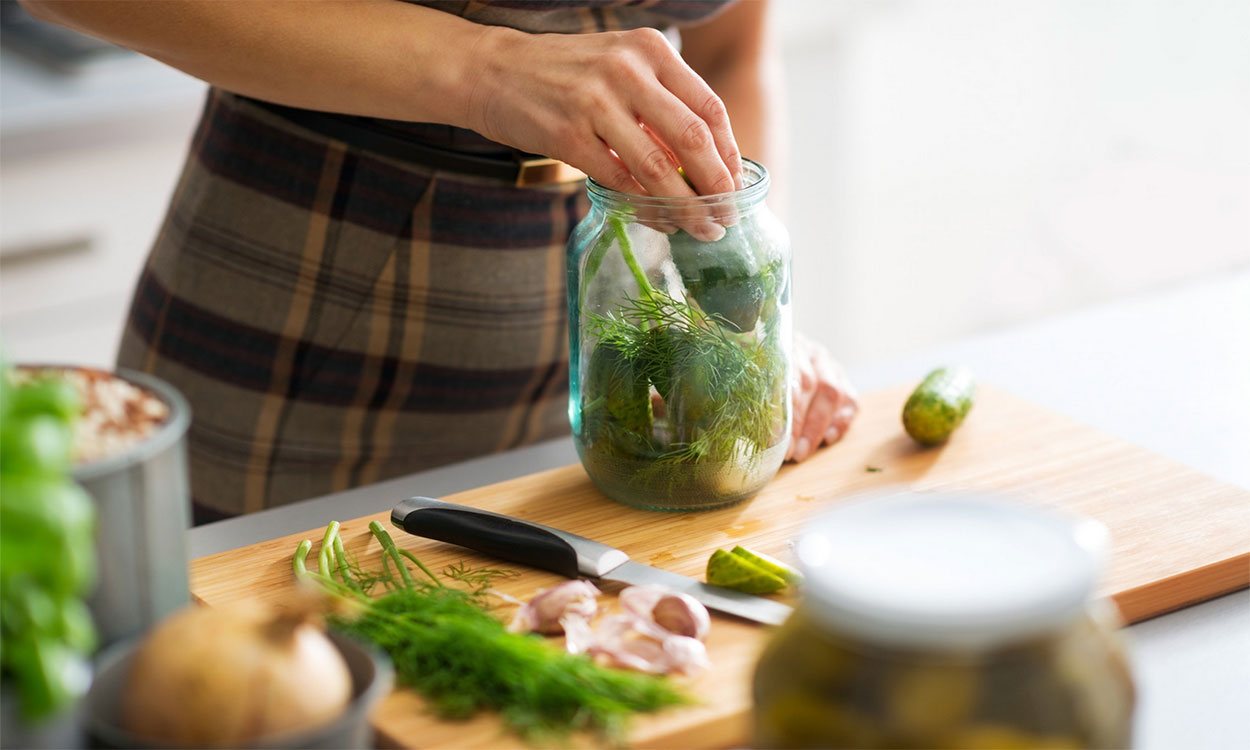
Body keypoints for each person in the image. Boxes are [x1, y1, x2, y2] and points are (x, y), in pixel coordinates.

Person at [24, 0, 858, 522]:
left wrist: (749, 326)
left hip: (607, 391)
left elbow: (728, 56)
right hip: (303, 344)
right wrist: (484, 68)